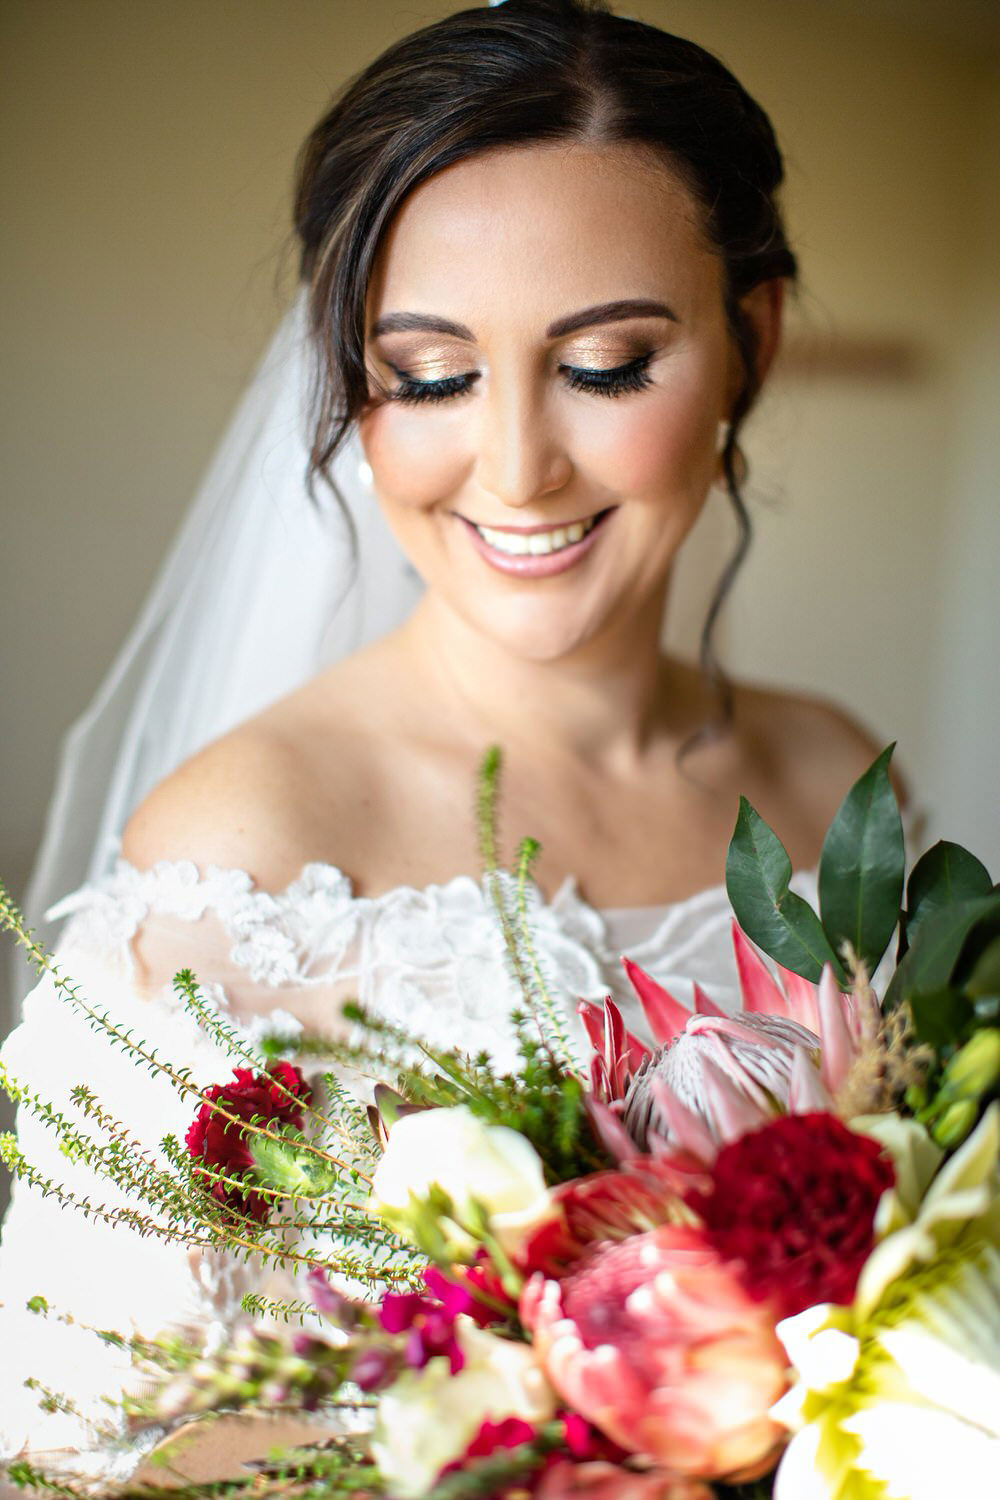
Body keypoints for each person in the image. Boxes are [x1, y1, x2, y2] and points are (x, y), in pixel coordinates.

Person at [0, 0, 916, 1488]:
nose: (513, 468)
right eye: (429, 375)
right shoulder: (240, 859)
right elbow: (59, 1446)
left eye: (607, 363)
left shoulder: (840, 782)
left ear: (751, 339)